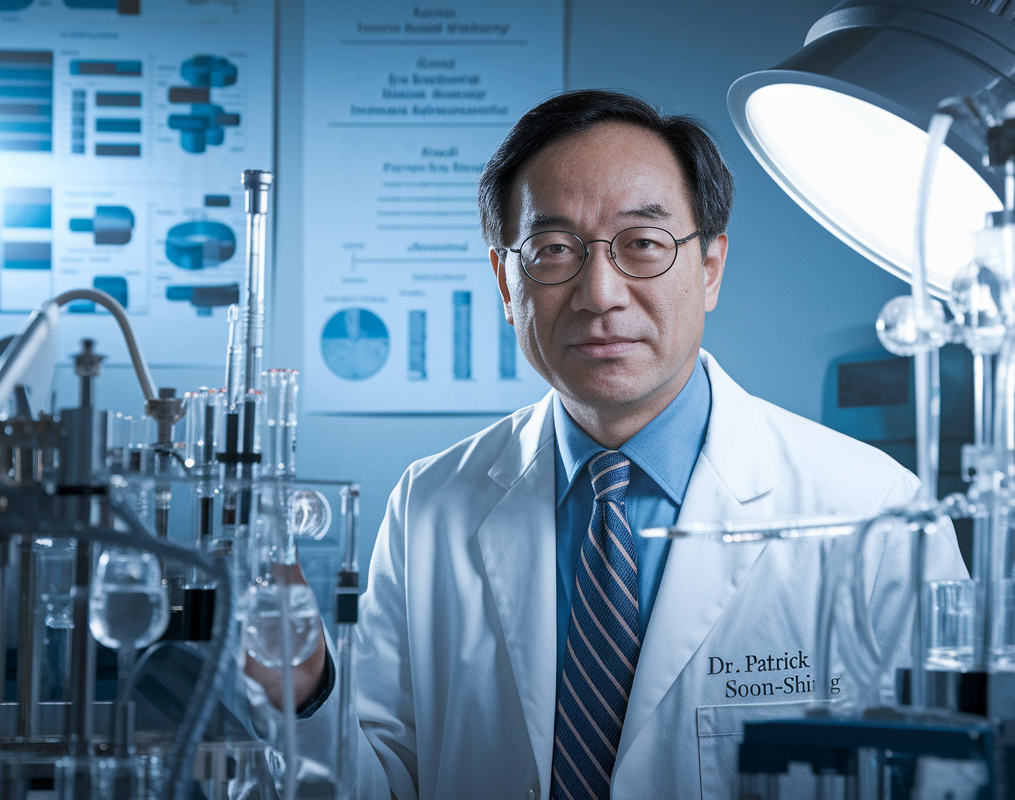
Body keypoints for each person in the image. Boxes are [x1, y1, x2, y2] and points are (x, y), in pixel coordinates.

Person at [291, 89, 968, 800]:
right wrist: (305, 693)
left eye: (643, 244)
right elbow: (378, 785)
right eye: (553, 250)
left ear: (709, 268)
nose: (600, 292)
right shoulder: (430, 503)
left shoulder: (876, 510)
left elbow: (947, 778)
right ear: (504, 280)